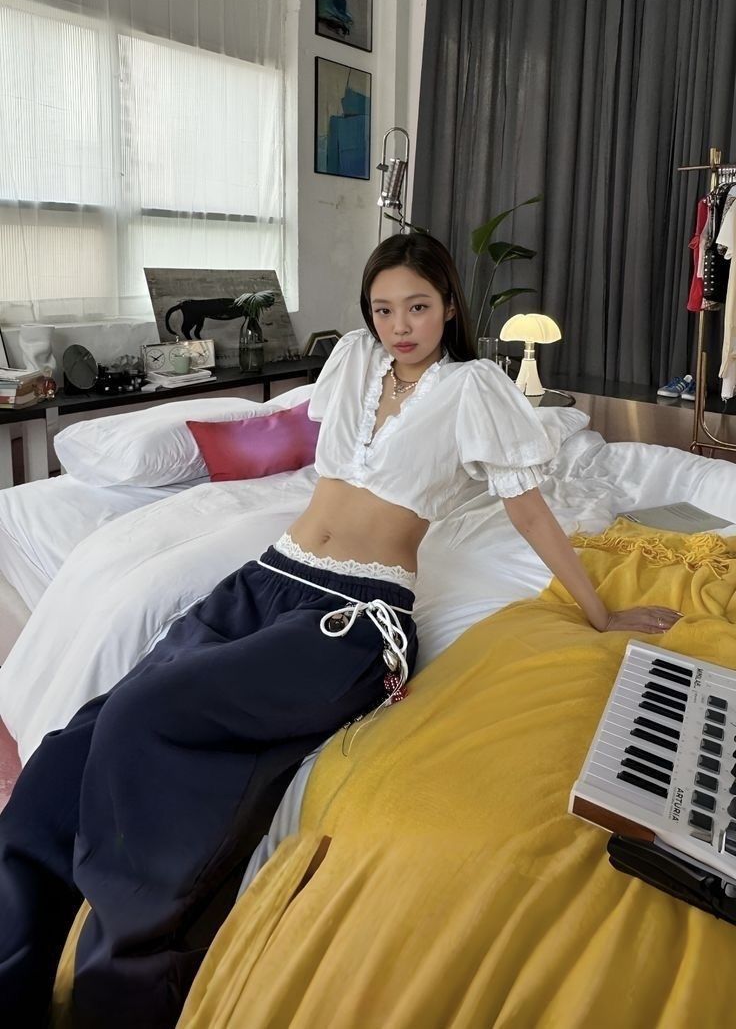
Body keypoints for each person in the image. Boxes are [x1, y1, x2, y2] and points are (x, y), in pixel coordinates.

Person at [0, 232, 678, 1028]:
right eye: (384, 308)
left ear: (449, 307)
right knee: (65, 752)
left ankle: (123, 995)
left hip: (354, 617)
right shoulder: (353, 361)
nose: (401, 324)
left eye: (418, 306)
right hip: (263, 580)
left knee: (148, 718)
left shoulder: (474, 388)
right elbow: (296, 442)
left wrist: (596, 609)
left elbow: (528, 508)